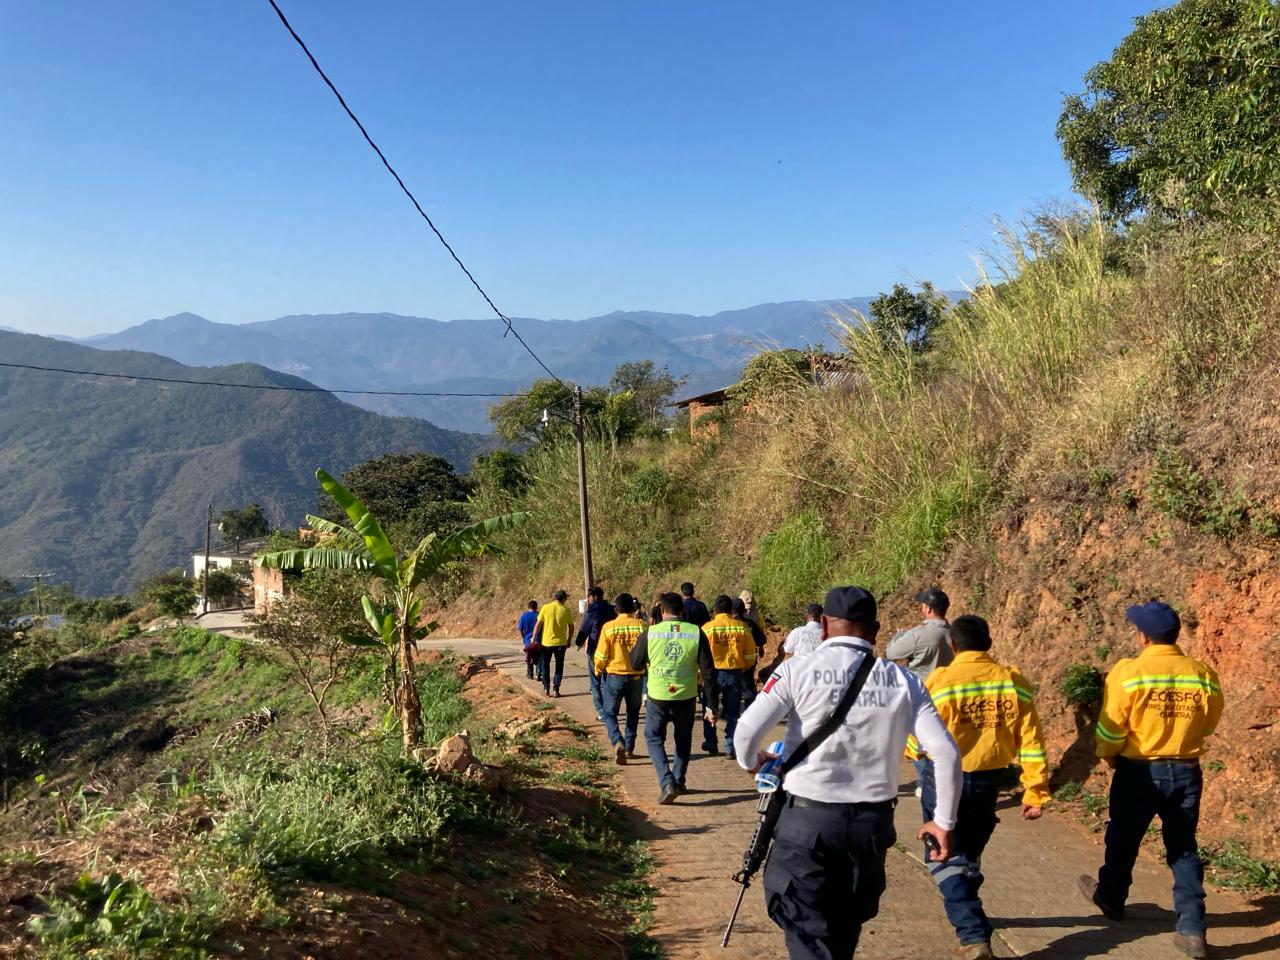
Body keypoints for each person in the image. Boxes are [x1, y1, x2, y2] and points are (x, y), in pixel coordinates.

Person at [734, 585, 962, 960]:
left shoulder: (796, 670)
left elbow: (745, 732)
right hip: (870, 830)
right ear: (874, 630)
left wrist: (752, 762)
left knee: (809, 934)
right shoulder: (904, 682)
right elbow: (946, 753)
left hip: (806, 825)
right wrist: (943, 822)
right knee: (844, 929)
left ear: (824, 626)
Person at [1078, 601, 1224, 960]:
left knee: (1124, 837)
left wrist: (1108, 753)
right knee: (1183, 847)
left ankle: (1111, 897)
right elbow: (1209, 720)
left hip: (1138, 771)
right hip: (1186, 770)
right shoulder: (1201, 672)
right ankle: (1191, 929)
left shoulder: (1129, 672)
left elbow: (1112, 726)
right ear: (1175, 634)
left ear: (1142, 635)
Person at [907, 614, 1050, 960]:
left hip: (945, 779)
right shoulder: (1013, 682)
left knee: (940, 853)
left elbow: (918, 736)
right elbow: (1031, 741)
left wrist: (913, 754)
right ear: (988, 644)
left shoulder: (942, 681)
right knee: (967, 853)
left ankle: (972, 935)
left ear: (952, 646)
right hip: (990, 781)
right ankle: (968, 902)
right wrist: (1035, 789)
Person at [627, 591, 716, 804]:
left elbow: (635, 663)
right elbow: (708, 672)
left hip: (658, 695)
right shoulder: (696, 632)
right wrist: (711, 705)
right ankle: (679, 779)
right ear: (682, 611)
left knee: (653, 737)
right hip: (686, 695)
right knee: (683, 739)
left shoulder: (651, 633)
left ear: (661, 610)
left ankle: (667, 782)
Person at [700, 595, 757, 759]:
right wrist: (743, 668)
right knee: (733, 712)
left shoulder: (707, 628)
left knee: (709, 707)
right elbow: (750, 654)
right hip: (734, 673)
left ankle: (711, 742)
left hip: (712, 675)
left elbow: (700, 655)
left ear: (715, 610)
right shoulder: (742, 627)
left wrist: (700, 674)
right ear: (731, 610)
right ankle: (730, 746)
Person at [594, 592, 646, 764]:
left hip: (615, 675)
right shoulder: (641, 626)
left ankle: (617, 741)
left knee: (609, 712)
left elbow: (602, 654)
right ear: (633, 609)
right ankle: (630, 748)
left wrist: (598, 668)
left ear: (616, 609)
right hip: (636, 677)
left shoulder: (609, 627)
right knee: (633, 713)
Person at [885, 587, 954, 679]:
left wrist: (899, 634)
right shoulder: (956, 633)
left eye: (923, 604)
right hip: (946, 690)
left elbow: (890, 654)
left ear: (928, 609)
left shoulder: (916, 635)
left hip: (921, 690)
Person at [575, 586, 615, 720]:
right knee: (607, 679)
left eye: (589, 597)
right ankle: (610, 708)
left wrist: (578, 642)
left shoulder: (591, 611)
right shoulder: (612, 609)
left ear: (593, 597)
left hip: (595, 649)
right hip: (610, 649)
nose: (588, 600)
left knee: (595, 681)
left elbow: (584, 629)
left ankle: (601, 711)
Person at [532, 589, 574, 698]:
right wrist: (569, 639)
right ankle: (556, 689)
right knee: (559, 666)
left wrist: (533, 638)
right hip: (561, 643)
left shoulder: (546, 608)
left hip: (547, 643)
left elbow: (538, 625)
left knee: (545, 665)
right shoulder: (566, 610)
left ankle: (546, 688)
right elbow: (571, 626)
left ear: (555, 598)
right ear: (564, 599)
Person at [517, 600, 540, 680]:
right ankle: (538, 674)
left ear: (528, 607)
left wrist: (524, 637)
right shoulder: (539, 615)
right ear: (536, 607)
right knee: (539, 657)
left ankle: (530, 674)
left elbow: (520, 628)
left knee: (529, 656)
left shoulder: (524, 616)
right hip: (538, 639)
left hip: (527, 639)